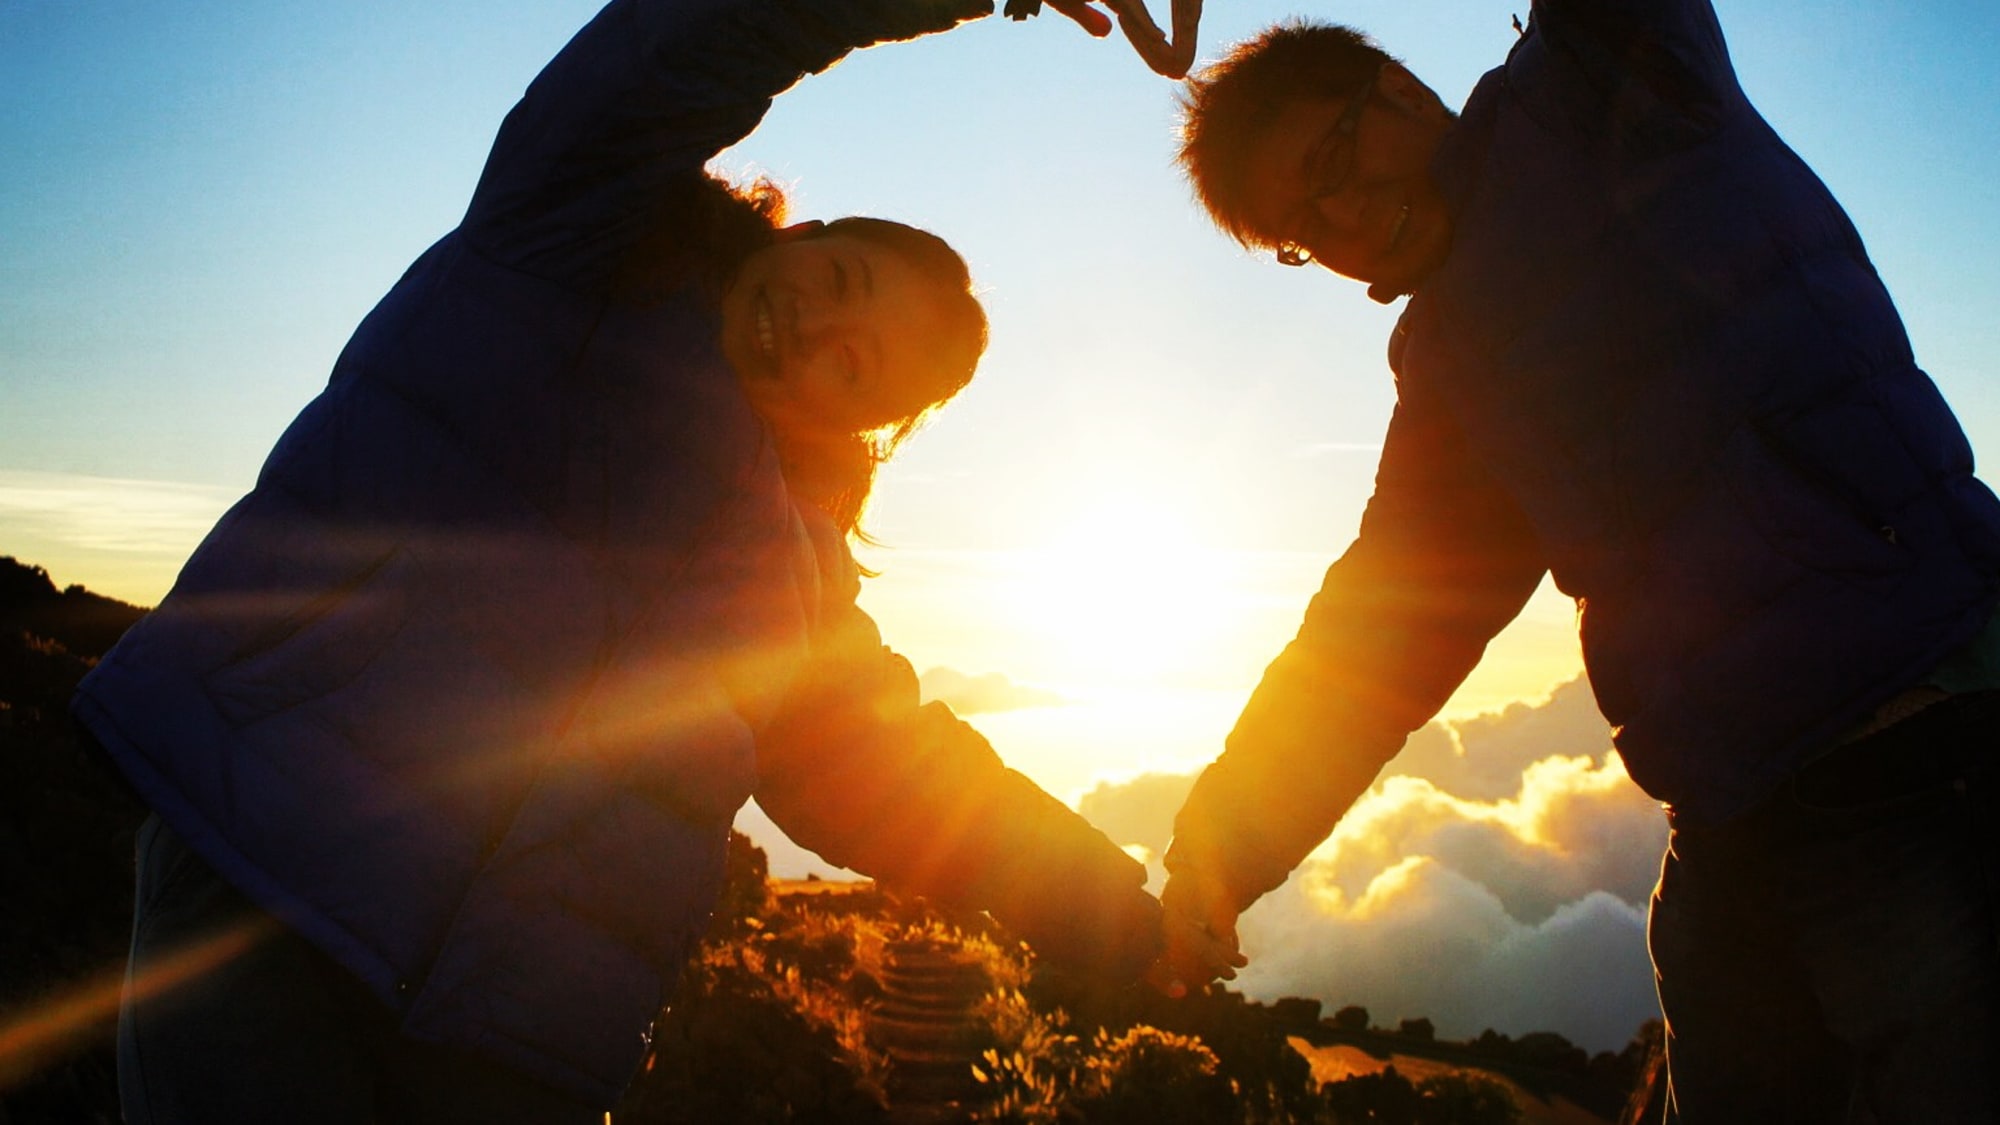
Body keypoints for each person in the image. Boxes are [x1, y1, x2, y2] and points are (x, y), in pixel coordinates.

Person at [71, 0, 1195, 1119]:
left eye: (856, 369)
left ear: (853, 424)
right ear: (801, 238)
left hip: (507, 1035)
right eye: (839, 286)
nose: (811, 334)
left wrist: (1114, 915)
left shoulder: (786, 566)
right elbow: (691, 36)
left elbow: (893, 777)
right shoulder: (565, 237)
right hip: (266, 886)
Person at [1159, 0, 2000, 1119]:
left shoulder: (1612, 86)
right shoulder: (1448, 380)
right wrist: (1223, 842)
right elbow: (1380, 633)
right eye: (1302, 226)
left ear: (1400, 91)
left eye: (1332, 160)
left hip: (1921, 765)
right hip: (1722, 832)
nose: (1346, 219)